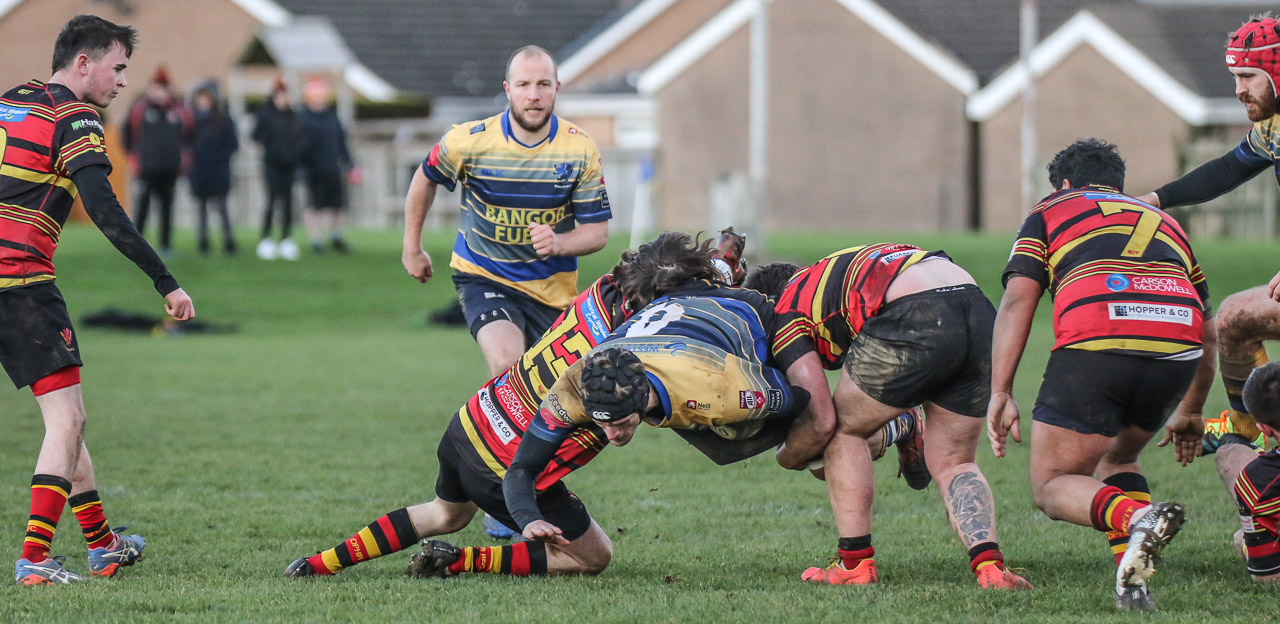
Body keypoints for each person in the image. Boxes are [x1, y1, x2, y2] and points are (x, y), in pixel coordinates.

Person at [284, 233, 909, 579]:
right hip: (514, 461)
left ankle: (320, 563)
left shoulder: (604, 296)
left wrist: (713, 263)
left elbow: (657, 267)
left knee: (444, 513)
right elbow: (686, 303)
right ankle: (468, 563)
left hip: (471, 422)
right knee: (592, 558)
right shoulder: (643, 347)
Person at [0, 15, 195, 585]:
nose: (122, 81)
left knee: (66, 420)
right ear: (82, 63)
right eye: (118, 67)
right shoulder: (76, 117)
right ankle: (34, 561)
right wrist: (167, 282)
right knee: (68, 421)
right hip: (22, 288)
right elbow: (106, 212)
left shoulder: (13, 102)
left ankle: (104, 544)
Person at [989, 139, 1214, 611]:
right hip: (1178, 348)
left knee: (1052, 485)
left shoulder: (1052, 208)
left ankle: (1141, 518)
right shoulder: (1166, 222)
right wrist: (1191, 409)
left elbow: (1018, 299)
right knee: (1118, 460)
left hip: (1099, 341)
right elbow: (1209, 330)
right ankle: (1132, 581)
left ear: (1065, 184)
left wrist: (1001, 390)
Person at [770, 243, 1031, 590]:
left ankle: (855, 565)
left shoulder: (785, 306)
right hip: (976, 305)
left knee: (841, 433)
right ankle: (991, 569)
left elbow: (821, 421)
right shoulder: (830, 272)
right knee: (955, 462)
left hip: (915, 311)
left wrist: (788, 456)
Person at [401, 45, 611, 381]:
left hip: (552, 292)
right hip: (484, 276)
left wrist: (558, 243)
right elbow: (425, 178)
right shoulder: (468, 141)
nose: (533, 95)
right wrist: (411, 246)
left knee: (573, 392)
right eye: (524, 85)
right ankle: (483, 429)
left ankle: (510, 430)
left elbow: (597, 232)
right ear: (507, 90)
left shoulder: (579, 149)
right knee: (507, 365)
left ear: (556, 89)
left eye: (543, 84)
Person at [1135, 15, 1280, 449]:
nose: (1239, 90)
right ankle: (1250, 436)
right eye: (1235, 76)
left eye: (1248, 76)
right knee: (1234, 320)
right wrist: (1155, 200)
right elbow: (1227, 169)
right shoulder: (1272, 129)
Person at [1212, 361, 1280, 583]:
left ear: (1264, 428)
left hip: (1262, 485)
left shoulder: (1256, 482)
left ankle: (1232, 443)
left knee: (1241, 537)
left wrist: (1245, 545)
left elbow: (1268, 576)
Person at [122, 65, 190, 255]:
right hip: (146, 169)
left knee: (167, 209)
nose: (159, 93)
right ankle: (136, 247)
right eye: (156, 88)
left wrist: (184, 159)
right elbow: (126, 135)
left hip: (170, 170)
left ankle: (166, 245)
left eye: (163, 89)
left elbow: (190, 137)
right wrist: (132, 158)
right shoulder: (140, 110)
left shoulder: (179, 111)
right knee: (142, 208)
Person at [298, 78, 356, 255]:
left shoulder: (333, 117)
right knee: (314, 206)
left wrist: (350, 164)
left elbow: (341, 142)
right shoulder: (302, 119)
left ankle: (336, 236)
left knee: (337, 204)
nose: (319, 99)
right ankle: (316, 240)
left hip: (333, 168)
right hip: (312, 170)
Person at [252, 78, 302, 261]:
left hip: (289, 165)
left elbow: (300, 138)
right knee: (272, 201)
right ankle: (266, 238)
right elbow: (256, 135)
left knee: (288, 202)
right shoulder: (265, 114)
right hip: (272, 165)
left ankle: (286, 238)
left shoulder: (293, 115)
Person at [188, 79, 238, 255]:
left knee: (222, 208)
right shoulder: (191, 120)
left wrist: (220, 159)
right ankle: (203, 242)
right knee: (201, 209)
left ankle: (229, 241)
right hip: (199, 171)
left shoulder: (223, 120)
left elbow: (232, 144)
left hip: (218, 171)